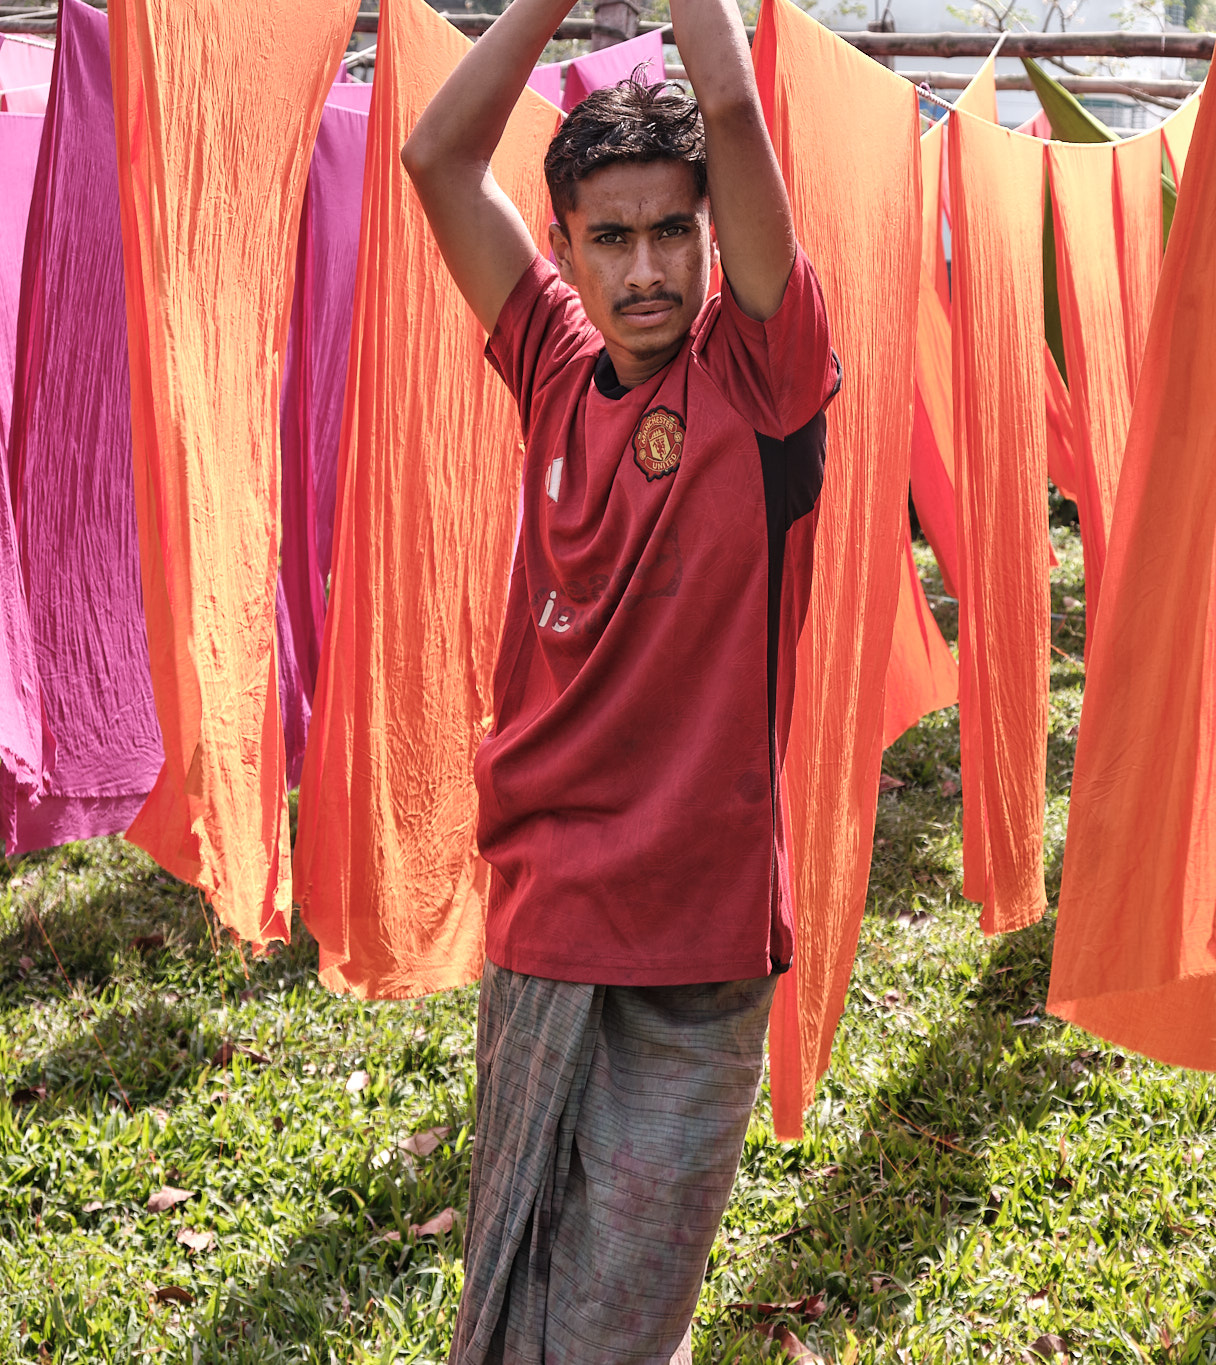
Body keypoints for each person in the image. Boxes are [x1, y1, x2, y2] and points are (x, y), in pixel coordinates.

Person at [400, 0, 839, 1357]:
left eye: (673, 232)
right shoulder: (551, 360)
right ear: (565, 249)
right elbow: (434, 158)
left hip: (695, 934)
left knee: (621, 1320)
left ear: (712, 236)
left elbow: (736, 113)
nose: (646, 269)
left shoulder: (760, 377)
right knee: (517, 1286)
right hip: (547, 908)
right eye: (611, 237)